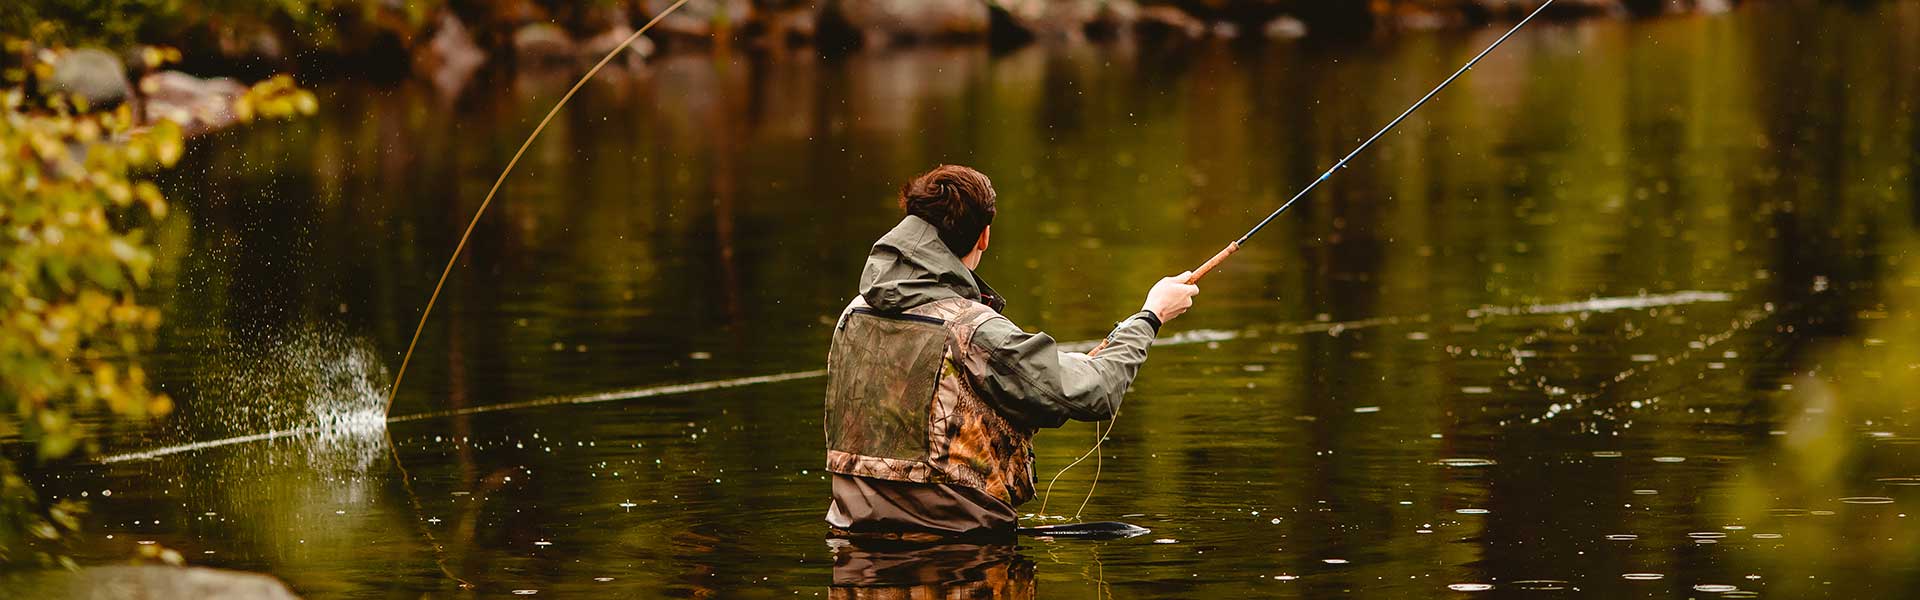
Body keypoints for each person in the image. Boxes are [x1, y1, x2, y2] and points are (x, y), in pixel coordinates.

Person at [824, 164, 1200, 541]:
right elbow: (1095, 392)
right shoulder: (972, 328)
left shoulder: (852, 314)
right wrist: (1151, 315)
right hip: (964, 553)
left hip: (853, 545)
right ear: (984, 236)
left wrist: (1065, 365)